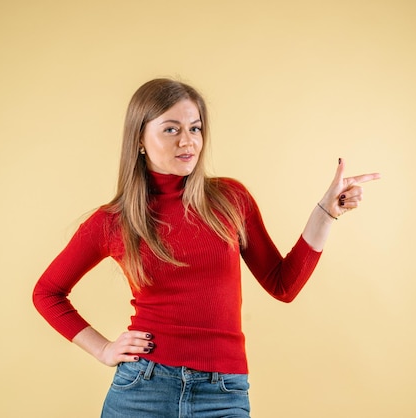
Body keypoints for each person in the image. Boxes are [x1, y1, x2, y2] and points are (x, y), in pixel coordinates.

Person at [33, 78, 380, 417]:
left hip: (223, 393)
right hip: (143, 389)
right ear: (140, 138)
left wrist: (326, 213)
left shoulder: (230, 199)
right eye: (171, 129)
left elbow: (283, 285)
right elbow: (47, 292)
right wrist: (103, 349)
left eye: (195, 128)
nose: (188, 141)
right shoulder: (114, 220)